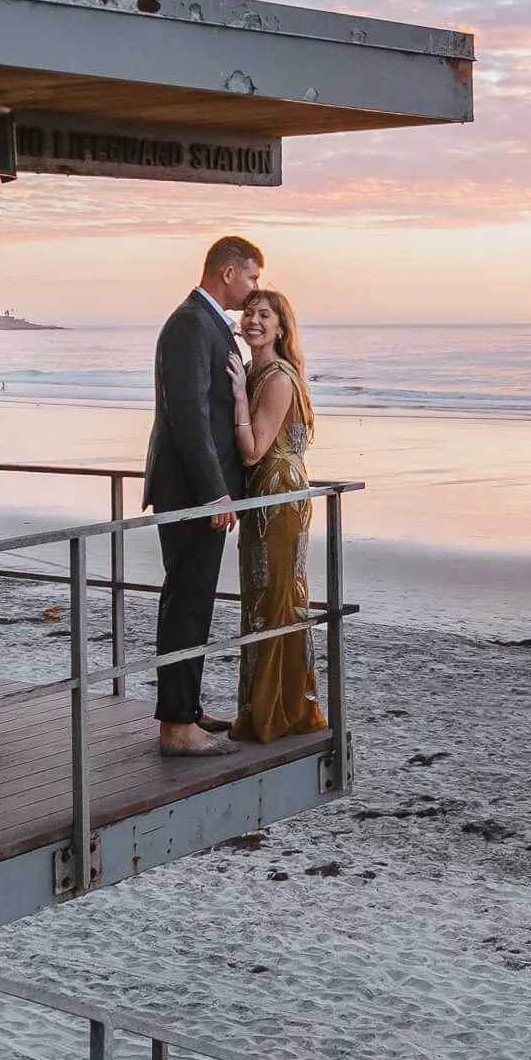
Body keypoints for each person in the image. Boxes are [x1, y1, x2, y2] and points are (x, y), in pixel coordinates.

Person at [143, 235, 261, 758]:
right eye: (253, 276)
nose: (256, 287)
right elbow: (189, 416)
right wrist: (215, 494)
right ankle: (174, 727)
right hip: (192, 493)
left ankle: (186, 710)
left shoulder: (207, 323)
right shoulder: (192, 323)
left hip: (196, 491)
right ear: (229, 272)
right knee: (188, 604)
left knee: (191, 601)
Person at [226, 289, 327, 743]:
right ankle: (265, 709)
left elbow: (251, 452)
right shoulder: (253, 370)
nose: (253, 320)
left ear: (281, 327)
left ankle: (279, 713)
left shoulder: (277, 378)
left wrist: (235, 396)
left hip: (280, 504)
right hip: (262, 503)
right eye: (249, 312)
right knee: (261, 601)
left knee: (278, 601)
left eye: (265, 315)